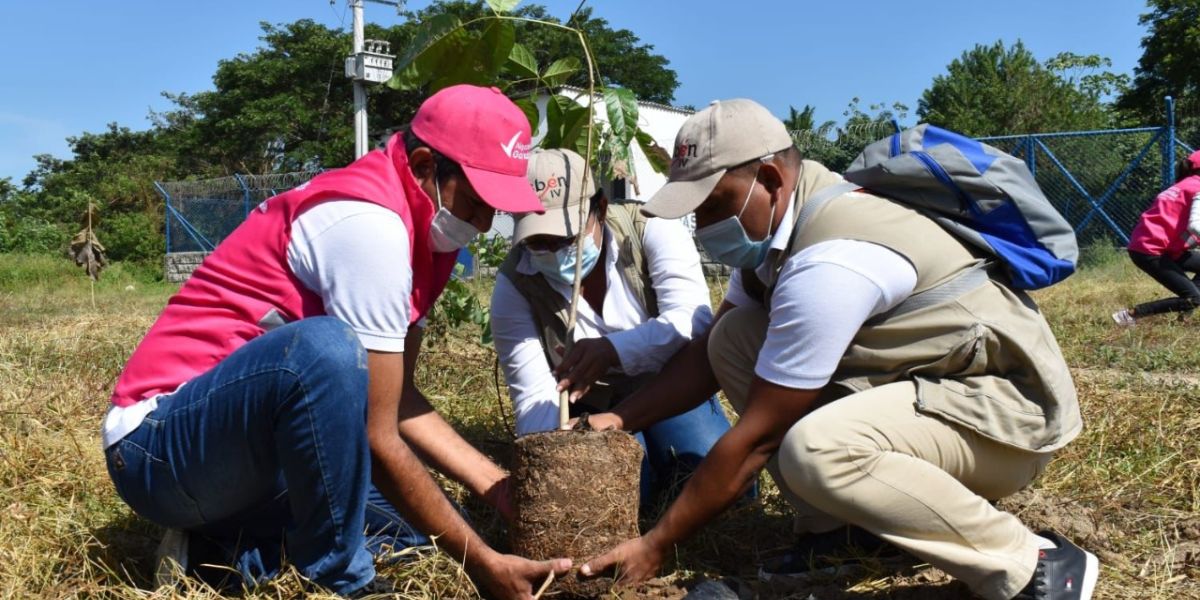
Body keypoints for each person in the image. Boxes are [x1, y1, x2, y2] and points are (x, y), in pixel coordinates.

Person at [574, 99, 1098, 600]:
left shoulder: (829, 262)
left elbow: (760, 437)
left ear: (772, 180)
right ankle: (843, 533)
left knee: (816, 449)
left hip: (1009, 420)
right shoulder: (781, 233)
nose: (706, 228)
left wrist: (657, 543)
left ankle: (1030, 562)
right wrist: (619, 418)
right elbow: (715, 347)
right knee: (734, 339)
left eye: (714, 204)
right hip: (935, 391)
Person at [102, 85, 570, 599]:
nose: (484, 224)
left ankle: (216, 556)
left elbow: (398, 400)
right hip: (160, 449)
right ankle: (343, 580)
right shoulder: (369, 224)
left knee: (417, 528)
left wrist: (495, 486)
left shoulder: (423, 236)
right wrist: (483, 564)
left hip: (242, 458)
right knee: (323, 349)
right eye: (478, 202)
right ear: (423, 165)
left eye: (496, 210)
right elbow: (378, 433)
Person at [491, 148, 735, 505]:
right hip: (591, 405)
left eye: (563, 240)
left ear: (600, 210)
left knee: (717, 482)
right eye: (536, 242)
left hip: (669, 385)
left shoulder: (650, 227)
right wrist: (554, 459)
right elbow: (533, 392)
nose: (549, 252)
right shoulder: (516, 283)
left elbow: (692, 321)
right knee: (622, 495)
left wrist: (612, 351)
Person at [1112, 149, 1200, 326]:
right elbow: (1195, 226)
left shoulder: (1184, 185)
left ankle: (1185, 311)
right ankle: (1129, 315)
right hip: (1151, 251)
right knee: (1194, 298)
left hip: (1156, 246)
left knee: (1194, 296)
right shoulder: (1198, 188)